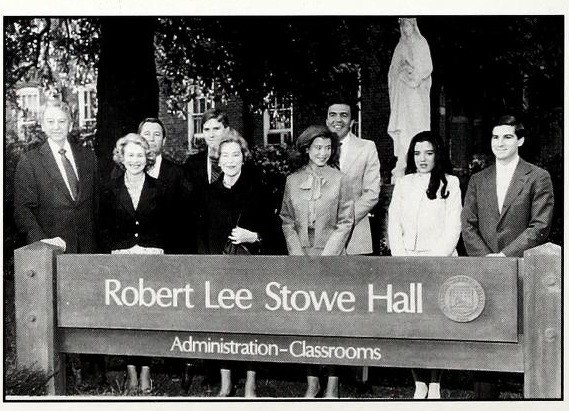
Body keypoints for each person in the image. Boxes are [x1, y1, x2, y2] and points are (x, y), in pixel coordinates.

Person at [461, 114, 554, 399]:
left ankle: (535, 398)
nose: (500, 143)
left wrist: (505, 256)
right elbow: (468, 224)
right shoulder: (478, 179)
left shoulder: (537, 176)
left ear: (520, 140)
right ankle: (484, 398)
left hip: (523, 269)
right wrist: (488, 259)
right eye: (495, 137)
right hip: (485, 272)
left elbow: (540, 225)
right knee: (485, 335)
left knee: (526, 339)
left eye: (507, 137)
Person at [13, 98, 100, 385]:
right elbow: (23, 209)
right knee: (58, 316)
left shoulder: (88, 157)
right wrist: (42, 244)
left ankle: (92, 372)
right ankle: (61, 377)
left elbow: (95, 205)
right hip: (53, 251)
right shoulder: (30, 161)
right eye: (50, 121)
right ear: (42, 125)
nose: (56, 126)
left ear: (70, 124)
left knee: (90, 310)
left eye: (61, 121)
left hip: (87, 249)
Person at [280, 125, 355, 398]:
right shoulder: (292, 180)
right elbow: (287, 219)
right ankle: (312, 382)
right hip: (302, 258)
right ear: (306, 150)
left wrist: (328, 256)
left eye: (327, 148)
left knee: (332, 322)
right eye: (317, 148)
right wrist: (297, 253)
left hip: (331, 259)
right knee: (307, 322)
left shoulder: (341, 179)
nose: (323, 153)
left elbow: (346, 221)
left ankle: (333, 383)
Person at [388, 131, 461, 399]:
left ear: (437, 154)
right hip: (407, 262)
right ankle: (418, 382)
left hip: (439, 264)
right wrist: (402, 256)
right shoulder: (404, 183)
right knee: (412, 326)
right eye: (417, 153)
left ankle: (435, 382)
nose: (422, 158)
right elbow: (394, 222)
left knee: (437, 326)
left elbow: (454, 226)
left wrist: (434, 260)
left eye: (428, 153)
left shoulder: (450, 183)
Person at [200, 129, 272, 397]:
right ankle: (226, 383)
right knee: (222, 324)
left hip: (251, 266)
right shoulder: (209, 193)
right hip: (219, 267)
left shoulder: (258, 189)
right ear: (218, 161)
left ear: (243, 157)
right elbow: (203, 232)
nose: (230, 160)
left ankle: (251, 384)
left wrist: (252, 236)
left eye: (236, 154)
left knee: (252, 324)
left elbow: (273, 230)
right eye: (225, 156)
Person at [100, 133, 167, 394]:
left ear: (147, 157)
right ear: (122, 158)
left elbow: (166, 226)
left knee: (147, 316)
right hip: (122, 258)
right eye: (130, 155)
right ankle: (130, 372)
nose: (136, 160)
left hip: (151, 257)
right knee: (126, 316)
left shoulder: (158, 188)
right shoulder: (110, 189)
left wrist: (153, 247)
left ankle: (146, 371)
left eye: (140, 155)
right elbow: (104, 226)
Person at [325, 100, 380, 256]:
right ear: (327, 120)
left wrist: (346, 220)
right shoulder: (316, 149)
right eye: (333, 115)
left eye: (344, 115)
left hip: (356, 237)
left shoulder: (367, 148)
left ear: (352, 121)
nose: (338, 120)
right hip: (320, 238)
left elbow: (372, 193)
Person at [387, 17, 433, 181]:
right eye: (403, 26)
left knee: (417, 125)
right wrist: (401, 73)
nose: (406, 29)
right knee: (404, 128)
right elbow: (393, 70)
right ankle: (402, 161)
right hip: (403, 95)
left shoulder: (421, 44)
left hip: (417, 96)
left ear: (414, 26)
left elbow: (427, 68)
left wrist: (414, 73)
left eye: (408, 25)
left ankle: (419, 161)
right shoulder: (400, 46)